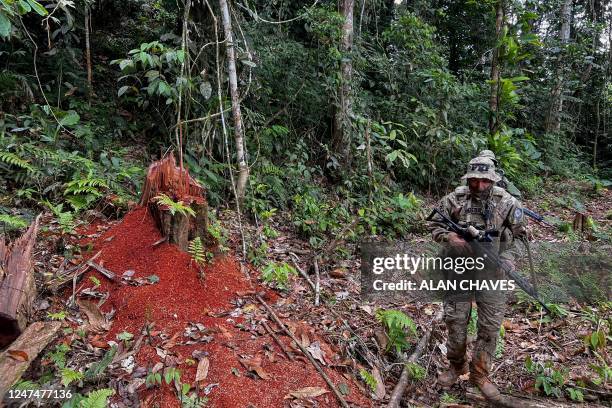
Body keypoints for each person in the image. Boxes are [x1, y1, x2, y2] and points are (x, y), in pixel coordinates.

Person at [428, 156, 527, 401]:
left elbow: (523, 238)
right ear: (468, 178)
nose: (479, 186)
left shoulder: (507, 203)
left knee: (489, 327)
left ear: (493, 179)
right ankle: (456, 365)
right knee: (455, 320)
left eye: (485, 181)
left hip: (492, 271)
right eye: (474, 180)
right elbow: (434, 224)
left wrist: (510, 258)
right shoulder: (455, 199)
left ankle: (480, 375)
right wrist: (448, 238)